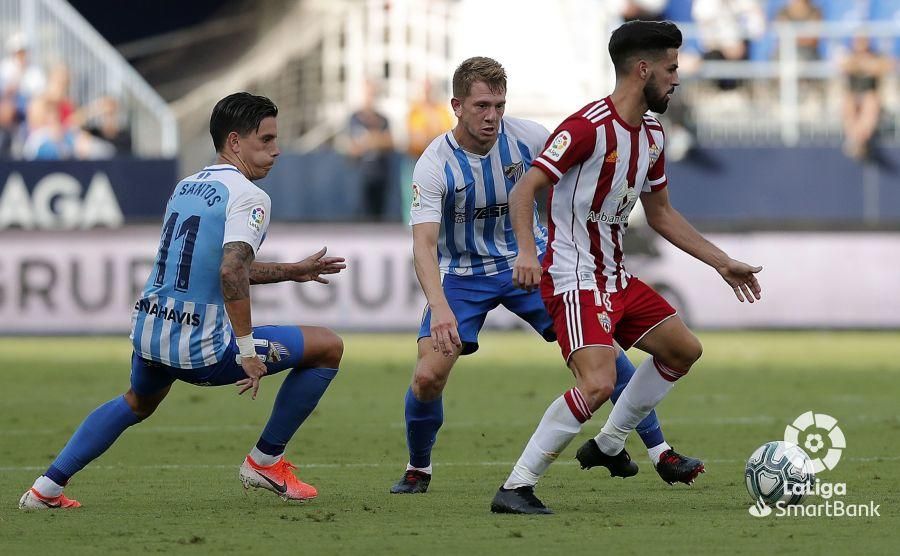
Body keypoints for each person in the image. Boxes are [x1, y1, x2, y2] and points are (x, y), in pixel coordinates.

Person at [390, 56, 701, 496]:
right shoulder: (434, 164)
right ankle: (418, 467)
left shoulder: (530, 137)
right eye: (481, 106)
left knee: (605, 353)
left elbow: (576, 179)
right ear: (456, 106)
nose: (492, 116)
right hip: (463, 275)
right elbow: (423, 244)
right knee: (427, 376)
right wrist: (439, 307)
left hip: (535, 261)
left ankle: (659, 451)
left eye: (499, 105)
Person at [19, 92, 347, 510]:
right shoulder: (250, 197)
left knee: (137, 401)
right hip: (200, 350)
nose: (276, 150)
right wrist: (246, 351)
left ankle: (45, 489)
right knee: (327, 347)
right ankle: (265, 461)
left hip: (150, 330)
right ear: (234, 142)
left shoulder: (187, 185)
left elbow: (213, 265)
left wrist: (291, 271)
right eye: (265, 140)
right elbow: (231, 271)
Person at [491, 21, 762, 515]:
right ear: (644, 70)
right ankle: (516, 487)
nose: (677, 79)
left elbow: (660, 214)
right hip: (573, 278)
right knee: (595, 383)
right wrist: (528, 253)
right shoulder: (584, 128)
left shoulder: (654, 135)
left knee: (683, 349)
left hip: (615, 275)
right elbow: (523, 189)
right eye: (671, 68)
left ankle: (612, 443)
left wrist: (721, 262)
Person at [347, 81, 394, 220]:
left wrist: (369, 140)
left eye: (372, 94)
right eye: (367, 94)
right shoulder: (354, 118)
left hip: (380, 175)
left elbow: (390, 143)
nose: (370, 97)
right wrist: (376, 139)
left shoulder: (383, 119)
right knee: (361, 217)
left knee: (378, 217)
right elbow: (352, 147)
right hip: (361, 176)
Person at [840, 36, 892, 161]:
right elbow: (845, 66)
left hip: (870, 94)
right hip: (854, 95)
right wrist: (865, 65)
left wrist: (866, 65)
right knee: (848, 102)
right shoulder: (849, 55)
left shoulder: (877, 55)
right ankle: (859, 139)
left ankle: (856, 139)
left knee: (870, 101)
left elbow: (885, 66)